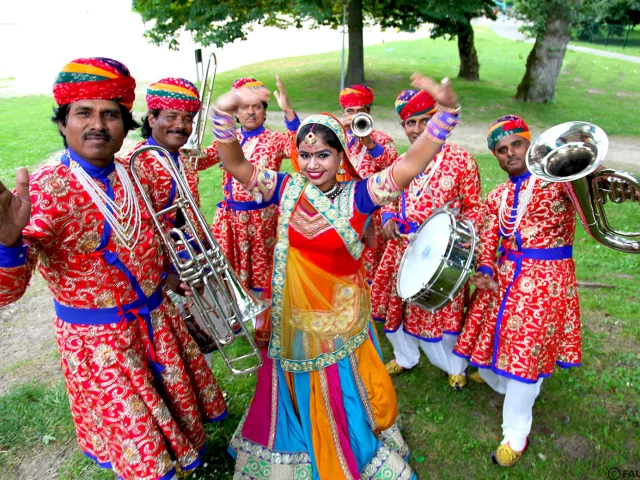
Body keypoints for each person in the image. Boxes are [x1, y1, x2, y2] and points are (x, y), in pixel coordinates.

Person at [210, 73, 460, 479]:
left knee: (339, 393)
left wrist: (447, 114)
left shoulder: (360, 195)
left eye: (323, 155)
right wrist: (224, 109)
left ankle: (343, 446)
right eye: (305, 155)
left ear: (340, 157)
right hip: (292, 321)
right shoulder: (285, 188)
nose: (313, 165)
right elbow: (234, 162)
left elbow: (411, 163)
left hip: (339, 323)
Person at [0, 58, 227, 480]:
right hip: (98, 345)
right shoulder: (49, 189)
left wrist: (167, 274)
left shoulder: (138, 173)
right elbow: (6, 293)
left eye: (111, 114)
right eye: (83, 113)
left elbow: (157, 235)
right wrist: (8, 242)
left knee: (176, 411)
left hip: (157, 323)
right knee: (139, 440)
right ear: (63, 122)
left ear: (125, 124)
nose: (98, 125)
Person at [454, 115, 581, 467]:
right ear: (495, 156)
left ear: (531, 144)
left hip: (547, 281)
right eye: (500, 150)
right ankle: (501, 380)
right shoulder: (497, 196)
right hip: (507, 279)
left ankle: (516, 433)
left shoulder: (559, 183)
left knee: (525, 357)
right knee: (498, 344)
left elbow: (588, 202)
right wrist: (483, 269)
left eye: (516, 145)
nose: (509, 153)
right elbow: (489, 240)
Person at [370, 89, 483, 389]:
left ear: (436, 121)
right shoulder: (403, 161)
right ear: (402, 127)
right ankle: (405, 356)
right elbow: (389, 198)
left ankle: (455, 366)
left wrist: (462, 246)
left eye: (424, 121)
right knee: (396, 305)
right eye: (410, 123)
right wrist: (388, 218)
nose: (417, 129)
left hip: (443, 252)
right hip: (402, 246)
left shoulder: (461, 160)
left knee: (445, 314)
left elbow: (473, 208)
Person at [122, 77, 221, 354]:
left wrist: (227, 116)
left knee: (207, 339)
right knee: (174, 349)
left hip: (195, 259)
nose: (181, 125)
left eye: (188, 119)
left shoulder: (186, 157)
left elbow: (221, 152)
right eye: (172, 116)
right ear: (152, 118)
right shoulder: (133, 164)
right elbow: (134, 235)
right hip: (164, 276)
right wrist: (166, 275)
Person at [210, 75, 300, 295]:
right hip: (230, 221)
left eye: (257, 107)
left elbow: (299, 146)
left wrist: (288, 112)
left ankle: (264, 323)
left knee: (265, 282)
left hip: (262, 222)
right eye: (244, 107)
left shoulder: (274, 139)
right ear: (235, 112)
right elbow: (201, 159)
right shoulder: (228, 139)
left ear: (264, 111)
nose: (250, 112)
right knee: (226, 278)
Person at [339, 84, 399, 281]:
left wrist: (369, 142)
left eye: (360, 112)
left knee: (369, 276)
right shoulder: (334, 137)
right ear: (343, 112)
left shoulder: (381, 139)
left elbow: (392, 167)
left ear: (369, 113)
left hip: (370, 219)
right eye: (350, 112)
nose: (355, 116)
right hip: (339, 215)